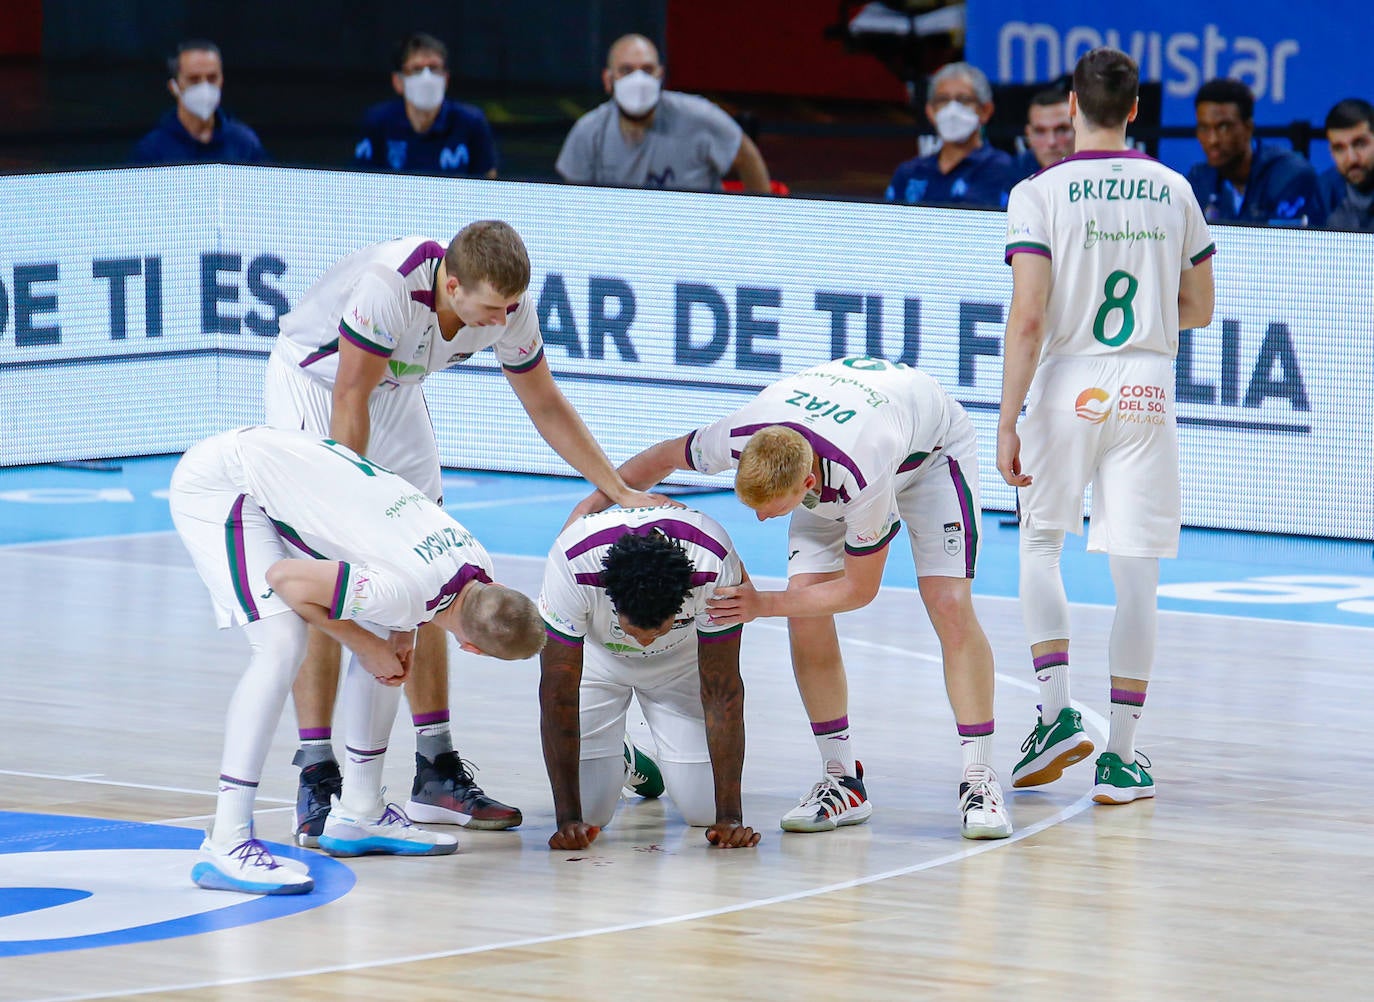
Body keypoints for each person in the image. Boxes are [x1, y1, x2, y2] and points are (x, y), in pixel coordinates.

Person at [264, 220, 670, 847]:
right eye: (490, 308)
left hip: (395, 392)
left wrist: (616, 488)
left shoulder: (509, 305)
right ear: (450, 286)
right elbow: (350, 396)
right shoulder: (388, 288)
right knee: (337, 581)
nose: (501, 319)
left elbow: (545, 403)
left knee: (431, 576)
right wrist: (354, 515)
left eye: (510, 308)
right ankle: (318, 773)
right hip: (318, 388)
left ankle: (435, 770)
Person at [570, 356, 1013, 841]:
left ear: (806, 485)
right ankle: (842, 779)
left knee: (947, 603)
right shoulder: (739, 435)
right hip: (847, 431)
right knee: (805, 606)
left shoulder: (858, 476)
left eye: (770, 510)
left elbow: (860, 591)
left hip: (928, 453)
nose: (761, 521)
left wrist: (763, 604)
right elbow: (659, 459)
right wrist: (591, 506)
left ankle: (979, 779)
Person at [168, 426, 546, 894]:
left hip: (286, 459)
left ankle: (361, 813)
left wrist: (402, 636)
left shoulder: (475, 559)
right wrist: (364, 646)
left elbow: (410, 576)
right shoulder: (406, 594)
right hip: (223, 483)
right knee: (282, 642)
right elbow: (286, 579)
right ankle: (227, 842)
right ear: (471, 649)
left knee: (386, 628)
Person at [998, 47, 1216, 805]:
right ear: (1134, 109)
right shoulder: (1174, 188)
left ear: (1069, 105)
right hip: (1148, 386)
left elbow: (1027, 320)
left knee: (1040, 542)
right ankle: (1121, 759)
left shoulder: (1039, 192)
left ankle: (1055, 714)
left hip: (1068, 379)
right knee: (1137, 575)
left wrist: (1005, 422)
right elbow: (1201, 307)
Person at [538, 507, 761, 850]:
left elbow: (724, 691)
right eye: (635, 629)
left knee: (704, 809)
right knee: (590, 815)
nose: (644, 640)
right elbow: (557, 695)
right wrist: (567, 819)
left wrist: (731, 818)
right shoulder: (572, 565)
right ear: (612, 599)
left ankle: (622, 756)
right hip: (600, 664)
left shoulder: (714, 566)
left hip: (680, 665)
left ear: (681, 600)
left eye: (657, 629)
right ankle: (624, 756)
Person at [555, 33, 771, 193]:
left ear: (660, 75)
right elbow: (575, 199)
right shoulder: (587, 132)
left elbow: (746, 155)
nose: (638, 80)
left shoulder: (699, 116)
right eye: (627, 70)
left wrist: (761, 220)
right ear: (608, 79)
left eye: (647, 70)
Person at [353, 32, 498, 178]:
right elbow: (361, 181)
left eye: (434, 68)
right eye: (417, 69)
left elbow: (488, 182)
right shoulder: (378, 121)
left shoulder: (471, 121)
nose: (426, 78)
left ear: (446, 79)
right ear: (398, 81)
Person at [1187, 77, 1325, 227]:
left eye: (1223, 127)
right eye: (1204, 128)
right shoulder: (1199, 180)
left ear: (1248, 128)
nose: (1212, 140)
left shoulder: (1291, 176)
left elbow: (1282, 246)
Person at [885, 62, 1016, 208]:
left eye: (964, 100)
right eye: (943, 100)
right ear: (930, 111)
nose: (952, 110)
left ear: (986, 110)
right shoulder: (909, 173)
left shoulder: (1003, 168)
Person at [130, 39, 267, 165]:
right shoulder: (152, 150)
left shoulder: (245, 143)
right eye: (194, 79)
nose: (204, 87)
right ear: (174, 86)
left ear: (222, 80)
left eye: (212, 78)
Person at [1320, 98, 1374, 232]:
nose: (1352, 159)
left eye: (1360, 144)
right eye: (1339, 148)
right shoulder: (1321, 192)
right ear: (1331, 152)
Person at [1013, 87, 1074, 180]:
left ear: (1078, 130)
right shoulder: (1012, 173)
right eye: (1040, 131)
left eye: (1061, 129)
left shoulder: (1098, 169)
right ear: (1028, 135)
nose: (1051, 142)